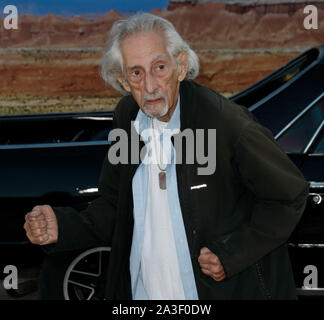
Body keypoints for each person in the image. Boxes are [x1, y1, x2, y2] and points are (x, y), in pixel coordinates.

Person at [24, 12, 309, 300]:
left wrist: (232, 253)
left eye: (159, 67)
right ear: (123, 81)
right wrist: (64, 225)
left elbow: (289, 196)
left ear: (181, 66)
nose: (150, 86)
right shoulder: (128, 118)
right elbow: (115, 204)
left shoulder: (226, 125)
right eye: (136, 73)